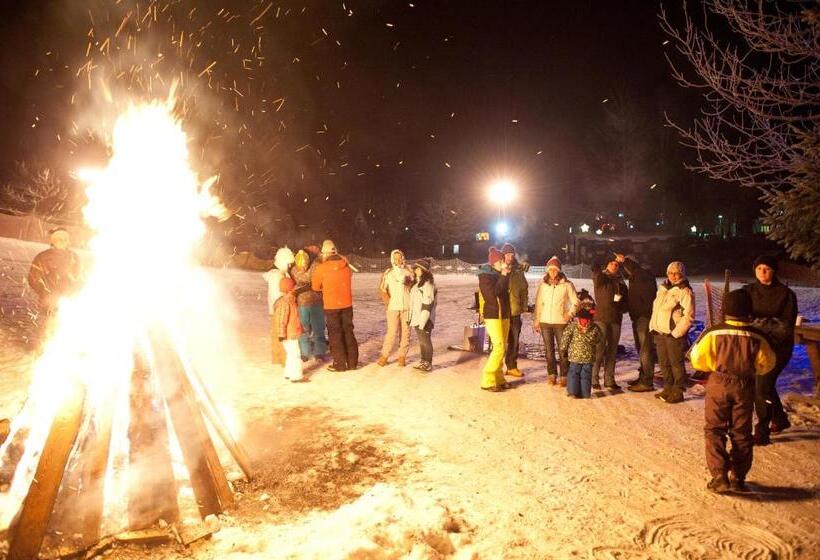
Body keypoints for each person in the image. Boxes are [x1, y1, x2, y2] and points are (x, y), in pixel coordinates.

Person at [689, 289, 775, 493]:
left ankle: (719, 475)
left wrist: (713, 366)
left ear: (726, 309)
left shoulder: (714, 332)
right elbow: (767, 363)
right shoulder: (757, 336)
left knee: (714, 428)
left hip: (719, 383)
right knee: (741, 431)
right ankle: (738, 475)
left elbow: (698, 359)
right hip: (744, 386)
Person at [742, 255, 798, 446]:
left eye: (766, 269)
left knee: (761, 386)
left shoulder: (786, 295)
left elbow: (785, 326)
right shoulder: (747, 291)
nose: (762, 273)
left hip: (777, 348)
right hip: (755, 347)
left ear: (774, 271)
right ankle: (780, 418)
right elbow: (739, 316)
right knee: (764, 386)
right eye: (759, 269)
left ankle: (762, 429)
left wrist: (756, 325)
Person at [649, 261, 695, 404]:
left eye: (676, 273)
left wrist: (676, 333)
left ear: (681, 274)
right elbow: (656, 309)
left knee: (676, 364)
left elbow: (689, 316)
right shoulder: (663, 288)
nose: (673, 276)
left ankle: (678, 391)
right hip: (660, 332)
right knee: (664, 363)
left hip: (673, 334)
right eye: (670, 273)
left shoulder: (684, 290)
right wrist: (653, 326)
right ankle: (668, 388)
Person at [27, 228, 82, 343]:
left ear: (68, 241)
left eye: (64, 239)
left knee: (65, 329)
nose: (62, 241)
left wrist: (73, 293)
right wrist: (45, 293)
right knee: (49, 330)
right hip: (50, 301)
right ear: (53, 241)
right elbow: (33, 278)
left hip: (68, 300)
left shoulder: (73, 257)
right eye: (59, 239)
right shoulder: (43, 257)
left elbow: (78, 278)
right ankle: (44, 352)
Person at [312, 239, 359, 372]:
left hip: (331, 305)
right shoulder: (346, 265)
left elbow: (316, 286)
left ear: (325, 253)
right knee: (348, 332)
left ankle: (339, 363)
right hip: (347, 304)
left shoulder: (321, 268)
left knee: (335, 334)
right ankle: (352, 363)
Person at [614, 253, 658, 392]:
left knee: (645, 350)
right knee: (641, 350)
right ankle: (643, 376)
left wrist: (624, 260)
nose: (626, 269)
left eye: (628, 266)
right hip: (638, 317)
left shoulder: (644, 275)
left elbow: (635, 268)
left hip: (644, 317)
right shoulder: (636, 278)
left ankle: (647, 382)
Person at [533, 256, 579, 386]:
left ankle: (564, 376)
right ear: (547, 270)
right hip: (545, 322)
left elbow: (576, 301)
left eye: (555, 270)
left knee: (563, 350)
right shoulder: (543, 285)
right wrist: (536, 321)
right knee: (549, 351)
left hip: (560, 323)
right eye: (550, 269)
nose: (553, 272)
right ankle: (552, 375)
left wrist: (569, 314)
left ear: (559, 271)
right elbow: (538, 304)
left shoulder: (567, 284)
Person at [591, 254, 628, 391]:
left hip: (616, 319)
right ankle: (594, 378)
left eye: (616, 264)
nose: (614, 265)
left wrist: (622, 307)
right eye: (611, 263)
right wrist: (602, 256)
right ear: (606, 265)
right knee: (599, 350)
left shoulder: (621, 281)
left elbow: (626, 300)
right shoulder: (601, 278)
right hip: (601, 318)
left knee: (612, 351)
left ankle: (609, 379)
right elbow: (595, 268)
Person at [478, 247, 511, 392]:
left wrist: (504, 275)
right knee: (498, 347)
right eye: (500, 260)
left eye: (503, 260)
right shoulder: (485, 276)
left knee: (503, 347)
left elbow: (504, 292)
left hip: (504, 314)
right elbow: (494, 294)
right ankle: (488, 378)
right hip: (493, 315)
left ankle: (499, 378)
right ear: (494, 262)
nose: (503, 263)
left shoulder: (499, 274)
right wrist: (503, 275)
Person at [377, 249, 414, 367]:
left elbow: (413, 288)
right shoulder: (388, 273)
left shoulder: (408, 272)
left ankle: (402, 356)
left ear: (403, 258)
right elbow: (382, 290)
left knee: (406, 332)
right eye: (396, 257)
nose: (398, 260)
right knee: (391, 332)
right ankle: (385, 355)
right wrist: (388, 303)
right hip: (393, 307)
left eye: (400, 257)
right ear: (392, 259)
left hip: (407, 307)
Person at [291, 249, 327, 361]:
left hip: (316, 302)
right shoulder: (293, 270)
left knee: (318, 328)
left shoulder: (315, 267)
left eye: (305, 265)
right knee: (303, 329)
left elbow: (318, 282)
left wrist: (302, 287)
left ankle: (319, 352)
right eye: (300, 266)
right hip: (302, 304)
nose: (302, 268)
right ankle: (305, 352)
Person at [559, 305, 602, 399]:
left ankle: (572, 392)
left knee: (573, 374)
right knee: (586, 375)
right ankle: (585, 393)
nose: (584, 321)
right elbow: (599, 339)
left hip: (575, 357)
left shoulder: (572, 326)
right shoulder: (595, 328)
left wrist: (563, 349)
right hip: (588, 357)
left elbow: (565, 338)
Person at [263, 247, 295, 366]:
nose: (290, 266)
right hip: (279, 308)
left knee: (277, 333)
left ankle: (278, 357)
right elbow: (281, 293)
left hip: (275, 308)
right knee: (282, 334)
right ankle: (282, 358)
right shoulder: (278, 276)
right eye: (289, 263)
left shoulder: (277, 274)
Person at [273, 277, 305, 382]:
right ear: (290, 289)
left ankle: (288, 372)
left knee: (291, 354)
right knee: (295, 354)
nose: (295, 289)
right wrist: (281, 334)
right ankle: (296, 375)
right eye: (293, 287)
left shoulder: (290, 300)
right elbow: (282, 319)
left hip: (291, 332)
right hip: (289, 334)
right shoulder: (285, 302)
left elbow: (295, 317)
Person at [408, 258, 437, 372]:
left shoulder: (428, 285)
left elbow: (427, 304)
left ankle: (428, 362)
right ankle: (423, 361)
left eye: (419, 269)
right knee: (422, 341)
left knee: (426, 341)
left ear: (424, 271)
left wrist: (423, 321)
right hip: (417, 318)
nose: (416, 271)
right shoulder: (417, 284)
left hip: (425, 319)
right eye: (416, 269)